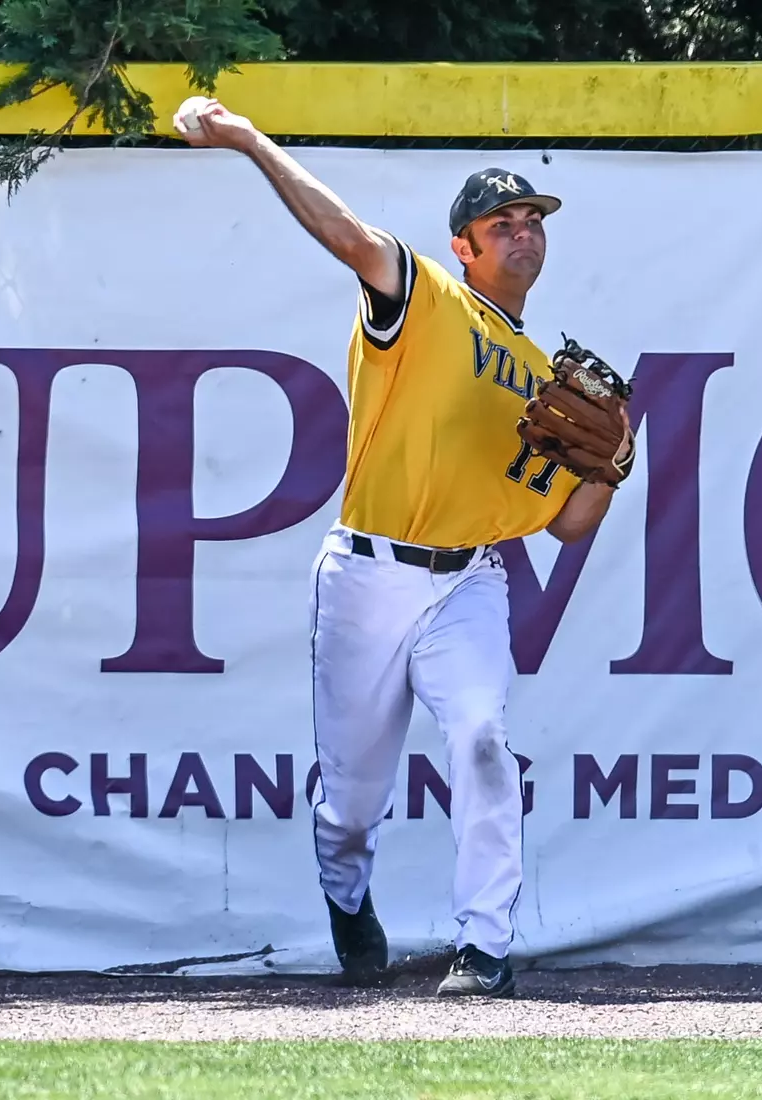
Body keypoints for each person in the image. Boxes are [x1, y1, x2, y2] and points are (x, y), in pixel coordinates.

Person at [176, 99, 632, 998]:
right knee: (350, 803)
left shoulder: (547, 379)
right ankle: (347, 896)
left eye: (532, 221)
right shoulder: (424, 296)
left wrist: (610, 468)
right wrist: (248, 138)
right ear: (463, 244)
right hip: (366, 574)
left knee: (482, 738)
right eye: (501, 224)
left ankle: (485, 946)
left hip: (467, 582)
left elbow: (568, 525)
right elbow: (346, 235)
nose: (523, 235)